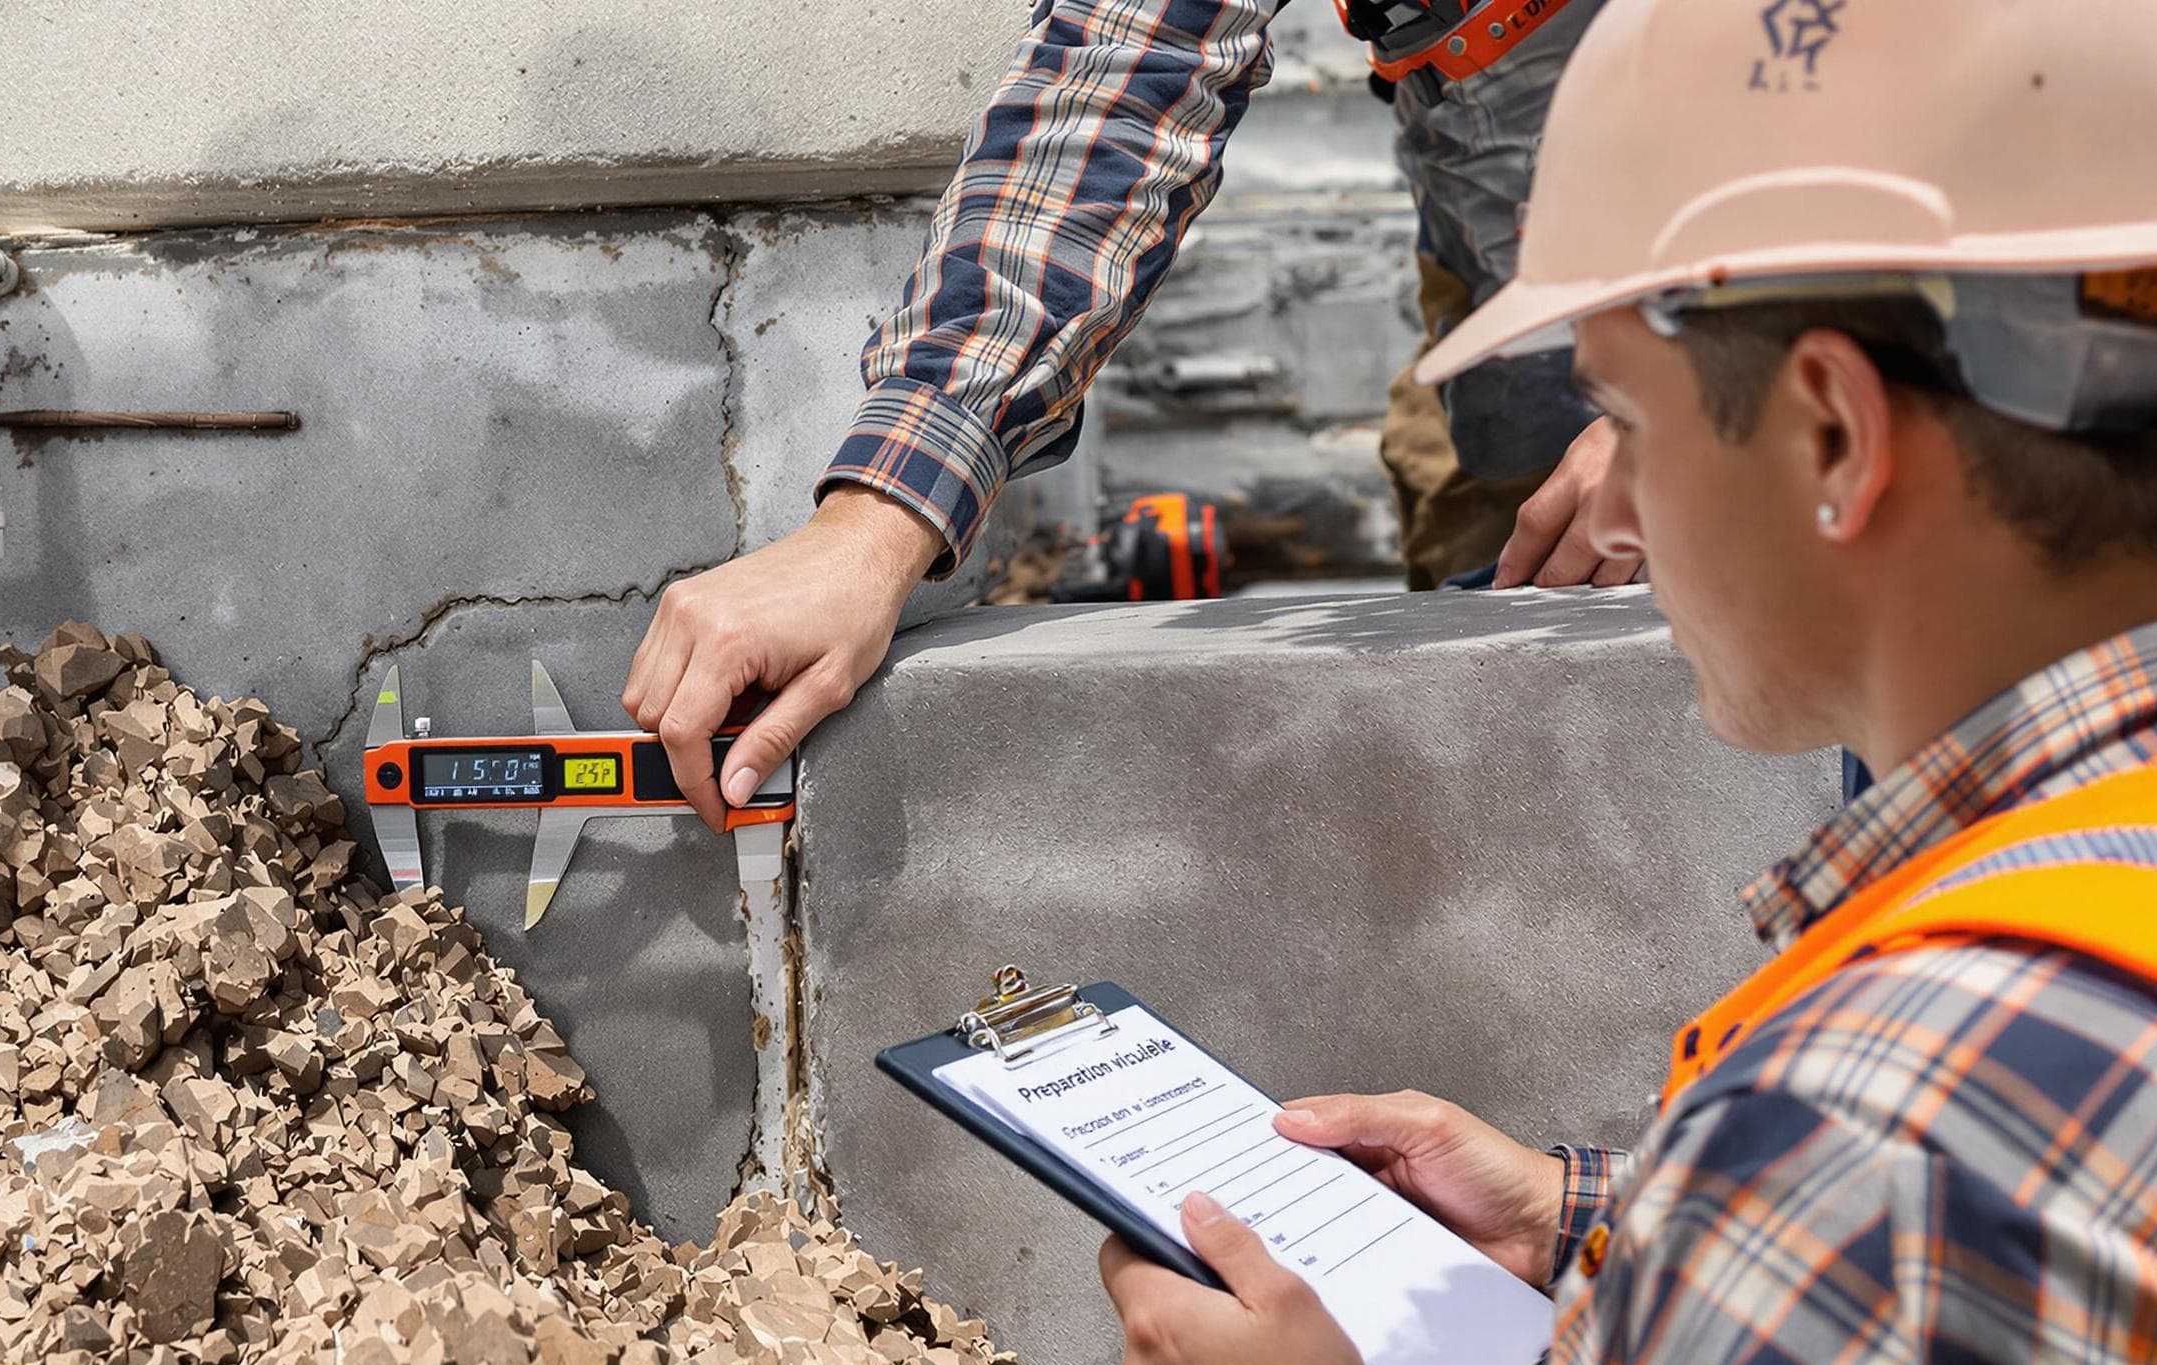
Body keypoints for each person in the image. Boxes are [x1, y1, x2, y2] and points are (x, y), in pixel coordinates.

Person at [1094, 0, 2157, 1365]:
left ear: (1835, 434)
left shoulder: (1870, 1153)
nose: (1618, 519)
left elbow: (1907, 1230)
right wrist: (1598, 1219)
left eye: (1623, 418)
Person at [625, 0, 1630, 833]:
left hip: (1757, 235)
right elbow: (1125, 65)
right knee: (1509, 693)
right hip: (1507, 202)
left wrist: (1731, 383)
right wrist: (880, 515)